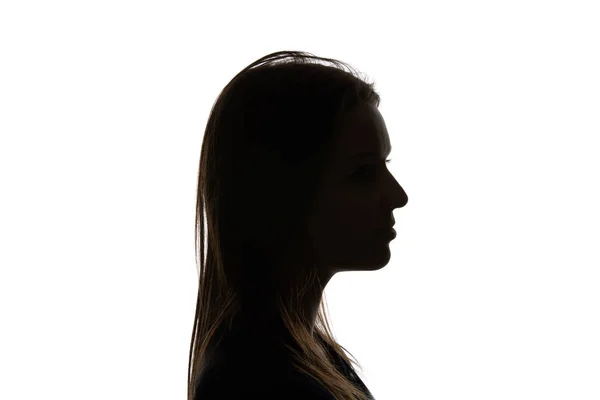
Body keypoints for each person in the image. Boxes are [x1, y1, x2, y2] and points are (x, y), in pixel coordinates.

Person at [188, 50, 408, 400]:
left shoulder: (310, 357)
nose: (398, 195)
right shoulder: (255, 382)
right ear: (282, 193)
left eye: (385, 165)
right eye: (362, 174)